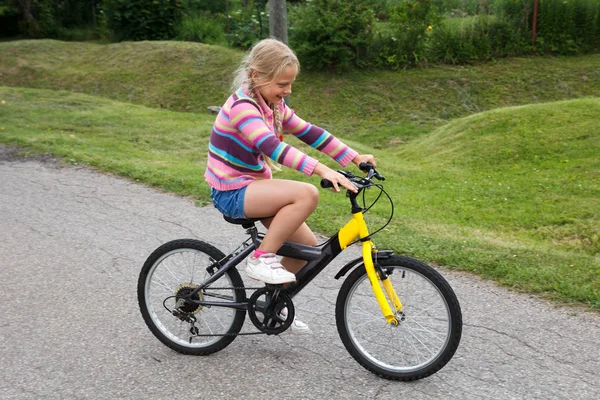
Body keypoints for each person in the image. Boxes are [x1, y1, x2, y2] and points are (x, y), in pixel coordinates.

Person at [204, 38, 376, 332]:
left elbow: (310, 133)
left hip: (253, 188)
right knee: (306, 193)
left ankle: (271, 305)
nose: (288, 90)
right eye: (282, 84)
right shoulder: (243, 106)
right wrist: (321, 169)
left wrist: (353, 157)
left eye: (291, 83)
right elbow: (269, 145)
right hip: (231, 191)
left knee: (305, 248)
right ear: (257, 76)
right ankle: (261, 259)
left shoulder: (273, 105)